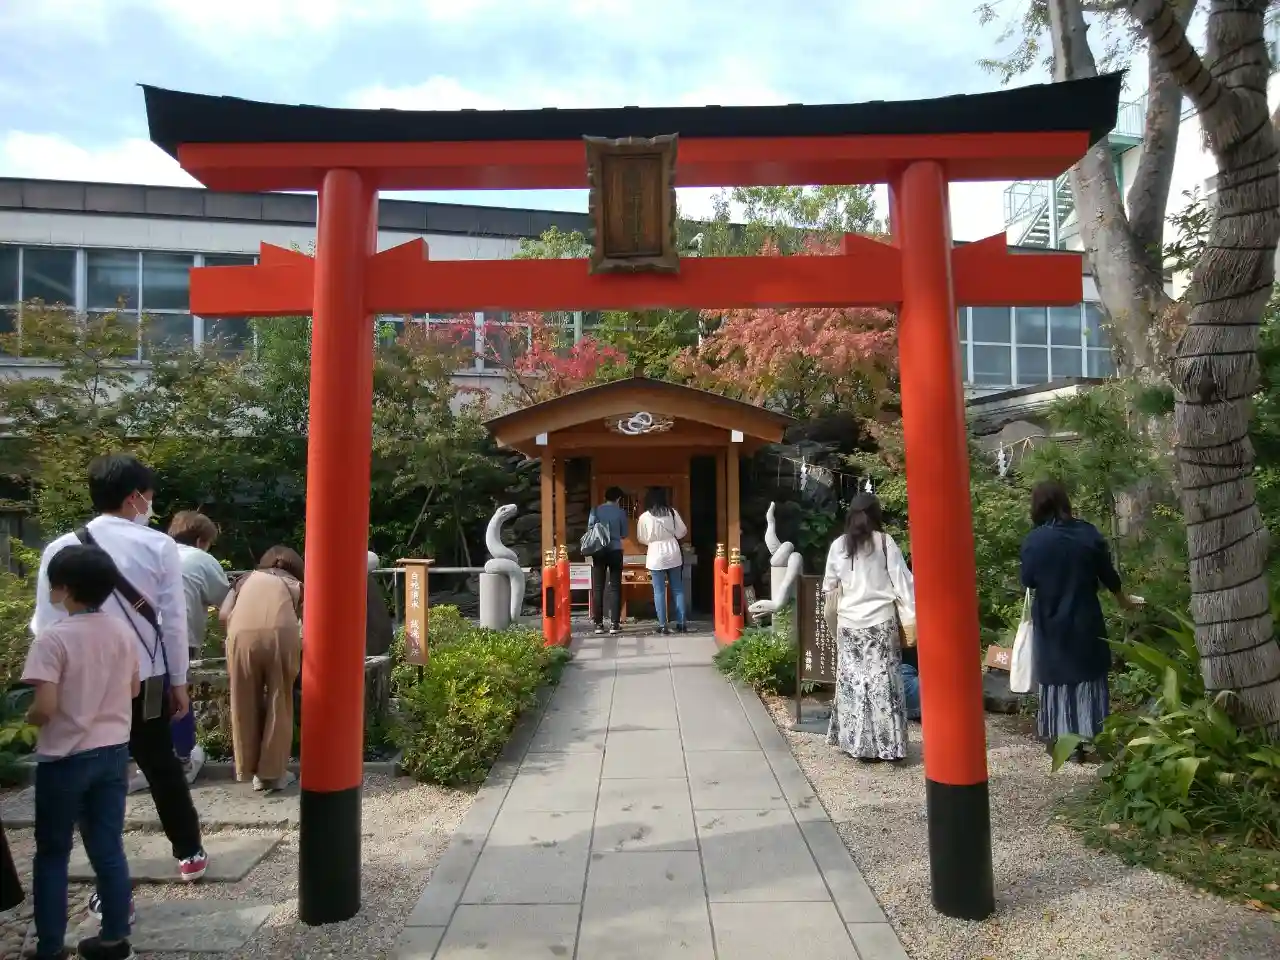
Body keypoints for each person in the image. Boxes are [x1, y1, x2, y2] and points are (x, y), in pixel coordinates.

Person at [31, 454, 209, 903]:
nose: (149, 505)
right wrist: (179, 680)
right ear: (134, 498)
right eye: (148, 497)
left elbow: (45, 623)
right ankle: (188, 850)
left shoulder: (60, 547)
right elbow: (173, 621)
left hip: (80, 685)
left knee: (92, 780)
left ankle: (108, 884)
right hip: (145, 677)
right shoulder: (157, 546)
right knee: (160, 763)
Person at [23, 544, 139, 960]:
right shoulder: (122, 632)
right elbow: (133, 688)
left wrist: (28, 720)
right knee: (108, 849)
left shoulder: (53, 639)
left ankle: (50, 947)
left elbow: (45, 707)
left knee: (53, 854)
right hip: (113, 752)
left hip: (65, 757)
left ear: (65, 589)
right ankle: (114, 938)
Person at [1020, 480, 1134, 757]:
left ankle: (1064, 741)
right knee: (1087, 676)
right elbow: (1108, 575)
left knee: (1057, 679)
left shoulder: (1035, 541)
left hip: (1051, 621)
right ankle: (1090, 735)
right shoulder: (1087, 533)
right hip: (1085, 618)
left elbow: (1028, 580)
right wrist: (1124, 601)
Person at [821, 493, 914, 762]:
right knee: (883, 684)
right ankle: (888, 746)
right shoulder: (885, 542)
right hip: (880, 623)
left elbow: (829, 587)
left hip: (849, 624)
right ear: (876, 514)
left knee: (853, 684)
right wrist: (912, 615)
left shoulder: (839, 545)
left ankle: (856, 743)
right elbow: (903, 584)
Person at [219, 545, 303, 793]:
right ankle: (273, 774)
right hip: (281, 635)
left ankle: (247, 770)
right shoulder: (294, 583)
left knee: (243, 700)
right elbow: (307, 621)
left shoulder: (244, 579)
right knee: (280, 699)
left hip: (241, 635)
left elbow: (223, 614)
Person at [166, 511, 231, 785]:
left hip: (137, 637)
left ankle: (144, 760)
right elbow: (227, 602)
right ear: (202, 540)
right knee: (178, 695)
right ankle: (182, 759)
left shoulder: (155, 552)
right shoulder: (201, 559)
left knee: (146, 700)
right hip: (179, 638)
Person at [636, 487, 688, 635]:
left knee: (658, 591)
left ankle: (662, 625)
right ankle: (682, 623)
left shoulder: (644, 517)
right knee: (677, 588)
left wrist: (653, 540)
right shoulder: (672, 512)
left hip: (655, 552)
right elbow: (682, 531)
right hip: (673, 550)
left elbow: (641, 538)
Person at [588, 486, 628, 635]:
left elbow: (590, 529)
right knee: (615, 587)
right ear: (618, 498)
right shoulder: (621, 512)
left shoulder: (595, 511)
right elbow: (624, 534)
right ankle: (614, 624)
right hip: (615, 550)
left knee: (598, 587)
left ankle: (598, 624)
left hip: (599, 551)